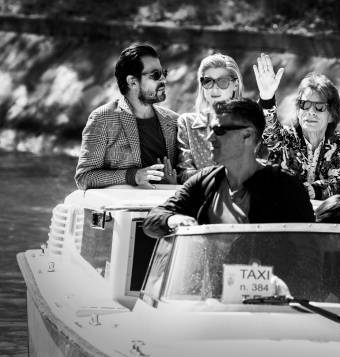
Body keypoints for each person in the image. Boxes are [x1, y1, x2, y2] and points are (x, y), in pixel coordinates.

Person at [142, 98, 314, 238]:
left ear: (247, 135)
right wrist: (173, 220)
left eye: (219, 130)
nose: (209, 137)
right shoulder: (204, 181)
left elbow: (309, 254)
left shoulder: (285, 187)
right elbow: (153, 219)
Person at [75, 43, 178, 190]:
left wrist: (175, 183)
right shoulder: (102, 118)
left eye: (164, 73)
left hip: (166, 208)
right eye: (155, 75)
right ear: (132, 81)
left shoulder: (174, 121)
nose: (163, 80)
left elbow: (183, 172)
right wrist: (133, 176)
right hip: (124, 211)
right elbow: (84, 177)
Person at [253, 53, 340, 200]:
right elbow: (269, 131)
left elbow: (336, 182)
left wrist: (311, 190)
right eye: (305, 105)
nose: (311, 112)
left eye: (319, 107)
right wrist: (267, 98)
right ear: (298, 110)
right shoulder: (284, 138)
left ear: (332, 115)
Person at [176, 53, 244, 183]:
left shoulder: (247, 123)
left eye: (223, 81)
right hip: (200, 199)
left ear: (235, 84)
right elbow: (184, 174)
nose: (214, 88)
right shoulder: (187, 123)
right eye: (208, 81)